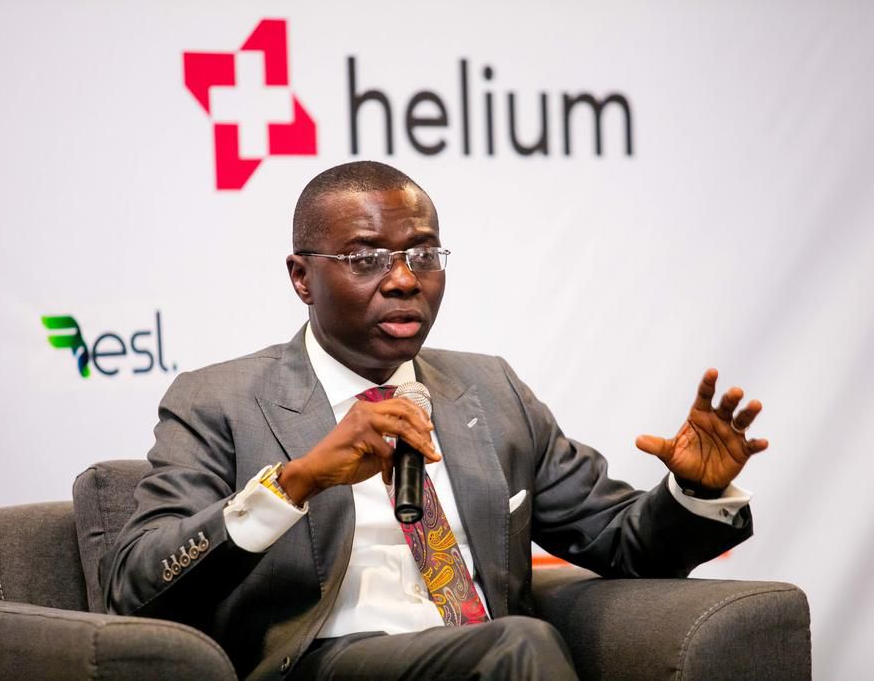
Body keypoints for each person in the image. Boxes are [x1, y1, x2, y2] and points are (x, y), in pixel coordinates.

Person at [102, 161, 768, 680]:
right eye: (366, 258)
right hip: (320, 661)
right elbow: (136, 585)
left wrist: (694, 492)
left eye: (423, 254)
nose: (403, 279)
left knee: (510, 649)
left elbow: (621, 542)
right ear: (301, 277)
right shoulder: (219, 399)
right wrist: (295, 482)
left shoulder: (490, 390)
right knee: (519, 647)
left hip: (479, 652)